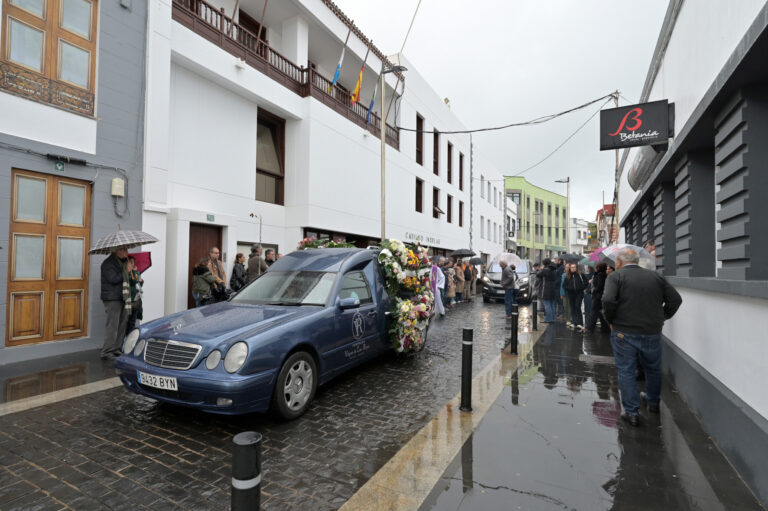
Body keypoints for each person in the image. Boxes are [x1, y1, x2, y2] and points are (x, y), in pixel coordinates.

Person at [602, 249, 682, 427]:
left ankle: (632, 413)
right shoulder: (655, 277)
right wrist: (662, 317)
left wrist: (610, 320)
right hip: (651, 332)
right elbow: (675, 299)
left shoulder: (616, 277)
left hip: (624, 331)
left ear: (620, 263)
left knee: (626, 371)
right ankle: (653, 402)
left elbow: (607, 300)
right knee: (653, 369)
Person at [100, 246, 130, 359]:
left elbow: (126, 279)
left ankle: (117, 348)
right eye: (124, 250)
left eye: (127, 249)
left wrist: (132, 272)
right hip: (112, 298)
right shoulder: (108, 264)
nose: (127, 252)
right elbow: (113, 279)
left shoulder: (123, 263)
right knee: (112, 326)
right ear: (117, 251)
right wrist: (126, 271)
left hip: (122, 297)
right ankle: (107, 351)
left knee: (122, 324)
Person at [584, 262, 610, 334]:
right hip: (599, 296)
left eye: (596, 267)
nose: (595, 268)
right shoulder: (601, 275)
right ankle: (605, 329)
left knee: (594, 312)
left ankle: (589, 328)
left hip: (598, 297)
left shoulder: (600, 275)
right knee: (601, 313)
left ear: (599, 268)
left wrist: (594, 291)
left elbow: (599, 286)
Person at [563, 263, 586, 331]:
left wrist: (582, 288)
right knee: (572, 307)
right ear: (570, 268)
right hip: (571, 293)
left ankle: (580, 323)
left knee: (577, 306)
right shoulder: (567, 276)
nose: (573, 268)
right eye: (571, 267)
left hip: (579, 293)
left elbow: (586, 282)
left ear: (576, 268)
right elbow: (564, 285)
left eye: (574, 267)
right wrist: (569, 288)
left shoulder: (580, 275)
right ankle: (574, 322)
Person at [125, 256, 144, 335]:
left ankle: (129, 340)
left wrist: (141, 281)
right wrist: (136, 273)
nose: (133, 264)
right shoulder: (126, 273)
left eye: (133, 262)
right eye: (131, 262)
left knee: (132, 322)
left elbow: (138, 284)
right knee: (126, 322)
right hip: (128, 301)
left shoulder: (134, 272)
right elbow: (132, 281)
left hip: (135, 301)